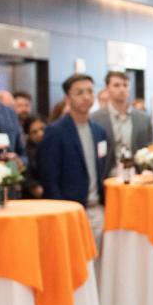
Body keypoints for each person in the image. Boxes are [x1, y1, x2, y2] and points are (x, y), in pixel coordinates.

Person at [39, 74, 110, 247]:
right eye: (79, 92)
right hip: (70, 211)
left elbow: (103, 169)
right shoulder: (55, 132)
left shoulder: (99, 131)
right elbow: (49, 178)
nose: (86, 97)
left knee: (100, 267)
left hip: (97, 210)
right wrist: (61, 211)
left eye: (89, 92)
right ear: (67, 97)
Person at [91, 71, 153, 171]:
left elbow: (151, 148)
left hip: (137, 177)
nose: (122, 89)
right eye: (116, 85)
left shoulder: (143, 118)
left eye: (125, 85)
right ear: (107, 89)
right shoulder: (95, 118)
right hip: (107, 176)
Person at [21, 116, 45, 198]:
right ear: (28, 135)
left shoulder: (53, 147)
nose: (40, 134)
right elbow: (27, 176)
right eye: (34, 132)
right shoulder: (26, 152)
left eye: (42, 129)